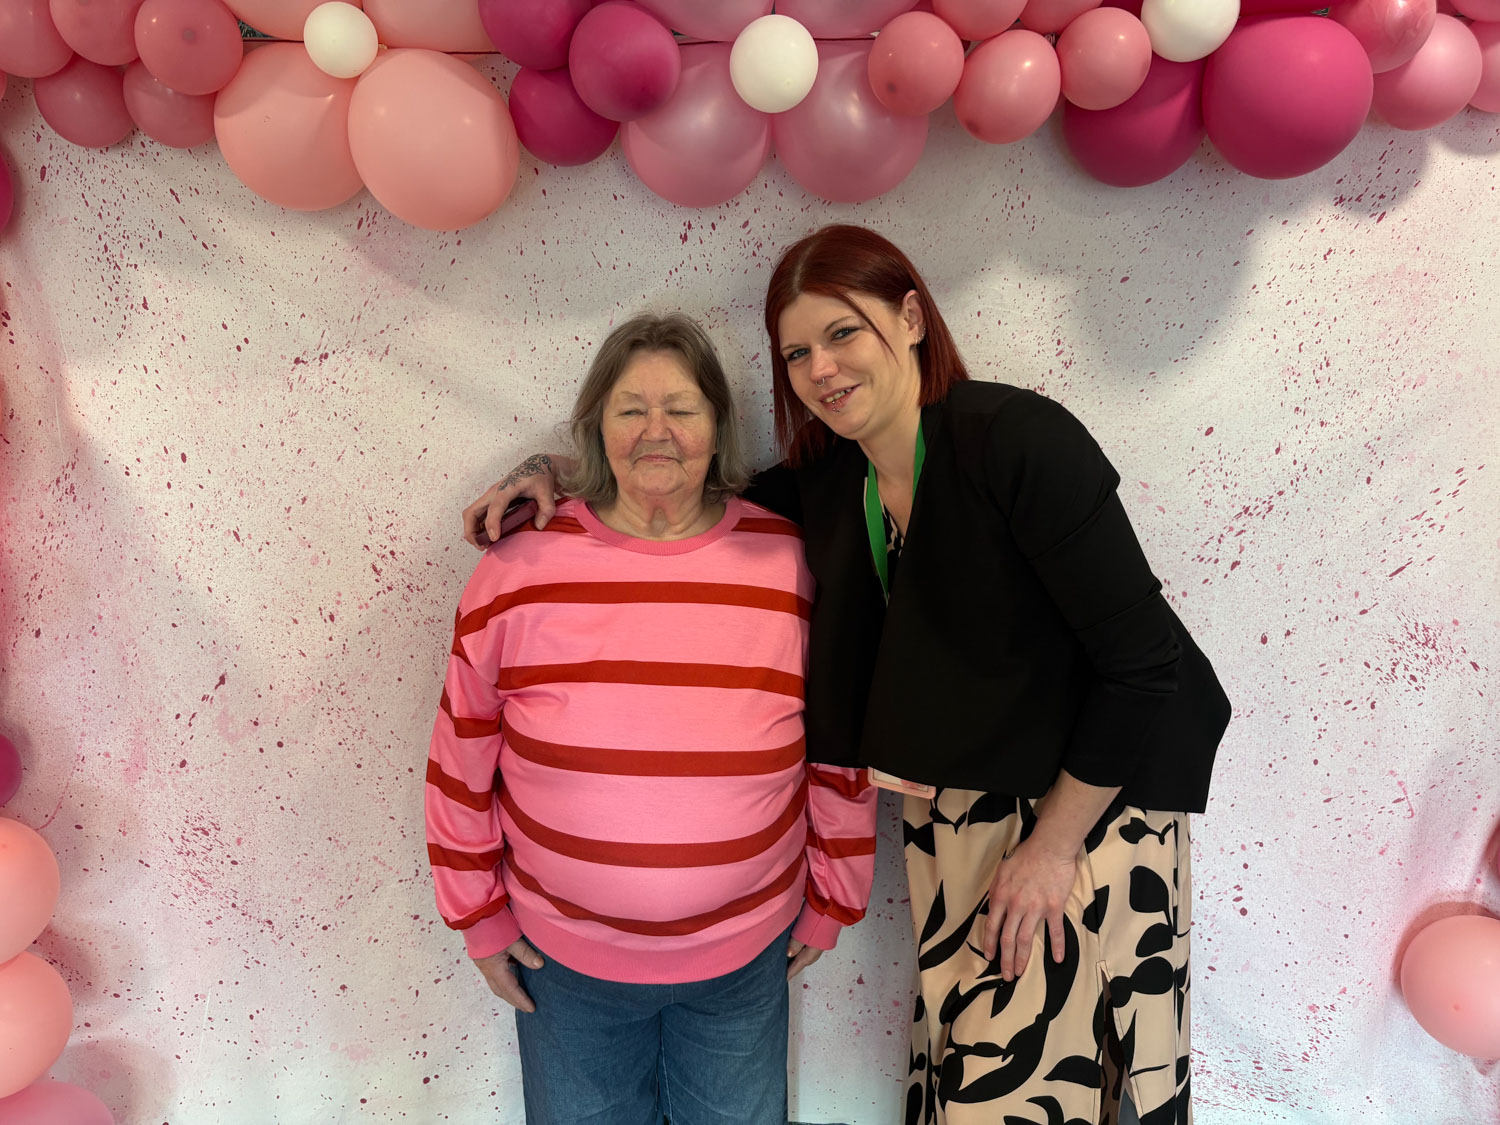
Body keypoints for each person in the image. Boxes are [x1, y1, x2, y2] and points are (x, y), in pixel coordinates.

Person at [463, 228, 1230, 1125]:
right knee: (969, 1076)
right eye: (796, 352)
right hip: (959, 816)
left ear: (910, 319)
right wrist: (553, 470)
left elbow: (1144, 664)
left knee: (1056, 1086)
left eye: (842, 333)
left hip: (1089, 807)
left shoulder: (1017, 440)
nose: (820, 369)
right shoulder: (833, 485)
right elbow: (683, 476)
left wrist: (1053, 850)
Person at [427, 311, 878, 1125]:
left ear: (719, 423)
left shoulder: (788, 562)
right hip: (564, 967)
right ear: (597, 426)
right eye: (631, 409)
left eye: (682, 408)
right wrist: (478, 916)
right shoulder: (516, 567)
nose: (657, 430)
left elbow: (835, 747)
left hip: (745, 962)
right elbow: (460, 758)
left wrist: (834, 896)